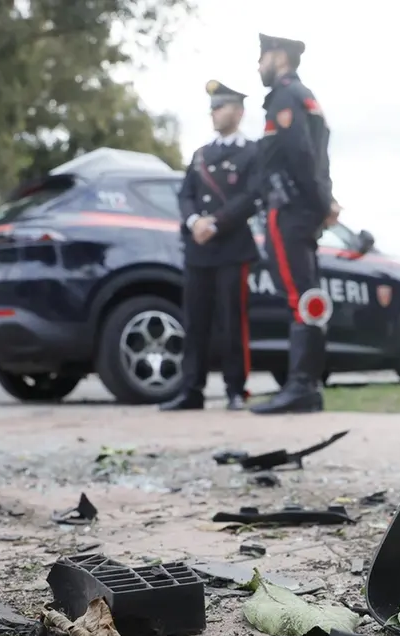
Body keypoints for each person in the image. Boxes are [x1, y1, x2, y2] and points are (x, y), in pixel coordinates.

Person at [245, 33, 338, 415]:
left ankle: (300, 386)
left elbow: (301, 155)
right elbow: (320, 158)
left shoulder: (285, 97)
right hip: (304, 210)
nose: (258, 65)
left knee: (299, 299)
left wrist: (320, 202)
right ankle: (308, 387)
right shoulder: (306, 96)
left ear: (278, 56)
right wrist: (325, 201)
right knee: (309, 298)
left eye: (261, 57)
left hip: (288, 212)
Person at [159, 80, 260, 412]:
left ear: (238, 111)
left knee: (232, 321)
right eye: (213, 108)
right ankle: (192, 389)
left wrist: (215, 222)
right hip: (198, 248)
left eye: (221, 107)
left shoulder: (251, 152)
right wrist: (194, 223)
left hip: (231, 246)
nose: (215, 113)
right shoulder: (201, 154)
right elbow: (185, 194)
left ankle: (236, 389)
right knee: (195, 321)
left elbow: (251, 197)